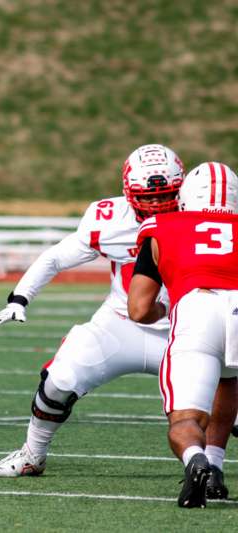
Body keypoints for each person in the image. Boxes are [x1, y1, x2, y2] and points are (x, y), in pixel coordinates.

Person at [0, 144, 183, 477]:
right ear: (127, 192)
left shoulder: (202, 216)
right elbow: (55, 258)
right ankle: (33, 453)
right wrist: (20, 297)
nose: (155, 205)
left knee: (227, 406)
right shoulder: (109, 219)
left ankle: (210, 468)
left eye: (165, 195)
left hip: (184, 328)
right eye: (146, 197)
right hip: (120, 325)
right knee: (59, 380)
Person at [128, 161, 238, 508]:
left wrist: (165, 309)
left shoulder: (162, 226)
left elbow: (139, 308)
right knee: (230, 378)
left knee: (185, 419)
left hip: (197, 310)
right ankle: (216, 466)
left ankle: (195, 458)